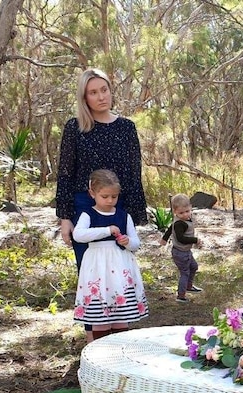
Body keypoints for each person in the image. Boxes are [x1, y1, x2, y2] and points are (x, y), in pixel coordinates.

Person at [56, 68, 147, 271]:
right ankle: (92, 304)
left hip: (118, 205)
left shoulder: (126, 128)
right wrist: (65, 218)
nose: (101, 96)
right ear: (85, 97)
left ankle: (123, 304)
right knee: (89, 270)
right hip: (84, 207)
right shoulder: (75, 128)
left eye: (104, 90)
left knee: (120, 271)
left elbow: (134, 174)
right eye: (93, 92)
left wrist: (130, 216)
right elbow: (65, 174)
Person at [73, 170, 148, 341]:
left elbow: (136, 244)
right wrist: (106, 230)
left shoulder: (124, 215)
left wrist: (127, 241)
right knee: (100, 316)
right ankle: (100, 350)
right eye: (105, 196)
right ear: (92, 193)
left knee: (121, 316)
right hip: (97, 269)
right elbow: (79, 235)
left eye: (114, 196)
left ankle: (120, 348)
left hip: (120, 267)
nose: (109, 200)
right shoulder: (88, 215)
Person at [159, 194, 202, 302]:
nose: (184, 215)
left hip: (186, 251)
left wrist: (164, 239)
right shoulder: (179, 223)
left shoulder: (184, 219)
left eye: (187, 211)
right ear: (175, 212)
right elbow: (181, 238)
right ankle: (181, 295)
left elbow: (170, 228)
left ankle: (189, 286)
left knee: (193, 267)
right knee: (185, 272)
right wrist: (195, 240)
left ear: (190, 207)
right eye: (181, 213)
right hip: (180, 252)